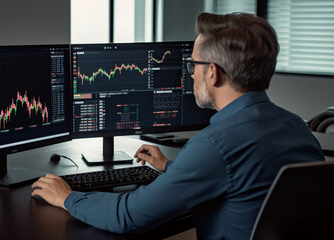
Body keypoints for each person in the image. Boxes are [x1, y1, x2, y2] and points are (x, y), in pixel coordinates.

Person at [31, 12, 325, 239]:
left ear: (212, 73)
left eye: (193, 66)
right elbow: (244, 182)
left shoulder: (215, 144)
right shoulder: (298, 127)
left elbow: (129, 215)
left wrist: (68, 197)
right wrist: (172, 169)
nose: (190, 76)